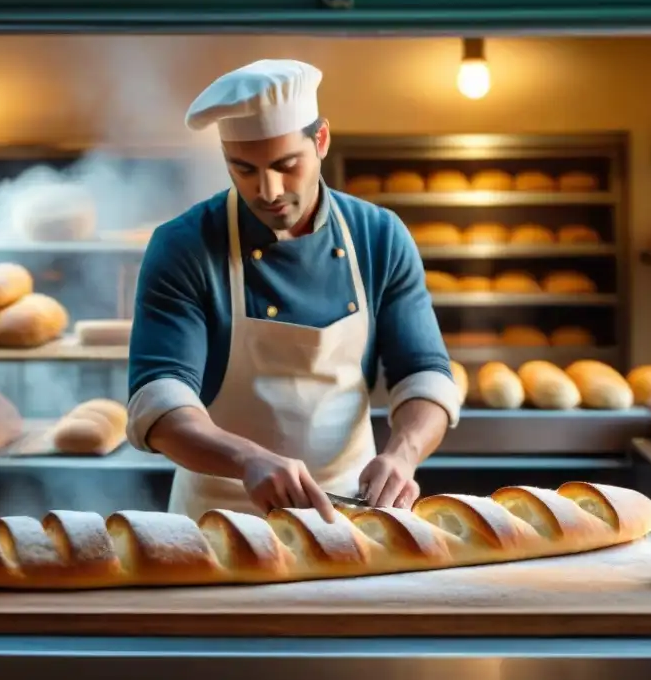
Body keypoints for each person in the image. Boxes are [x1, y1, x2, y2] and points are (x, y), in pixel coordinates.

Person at [126, 58, 461, 522]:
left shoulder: (378, 236)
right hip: (218, 518)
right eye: (243, 170)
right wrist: (246, 459)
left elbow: (424, 375)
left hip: (350, 511)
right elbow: (158, 402)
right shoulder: (184, 246)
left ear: (320, 140)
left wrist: (402, 454)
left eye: (286, 165)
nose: (268, 190)